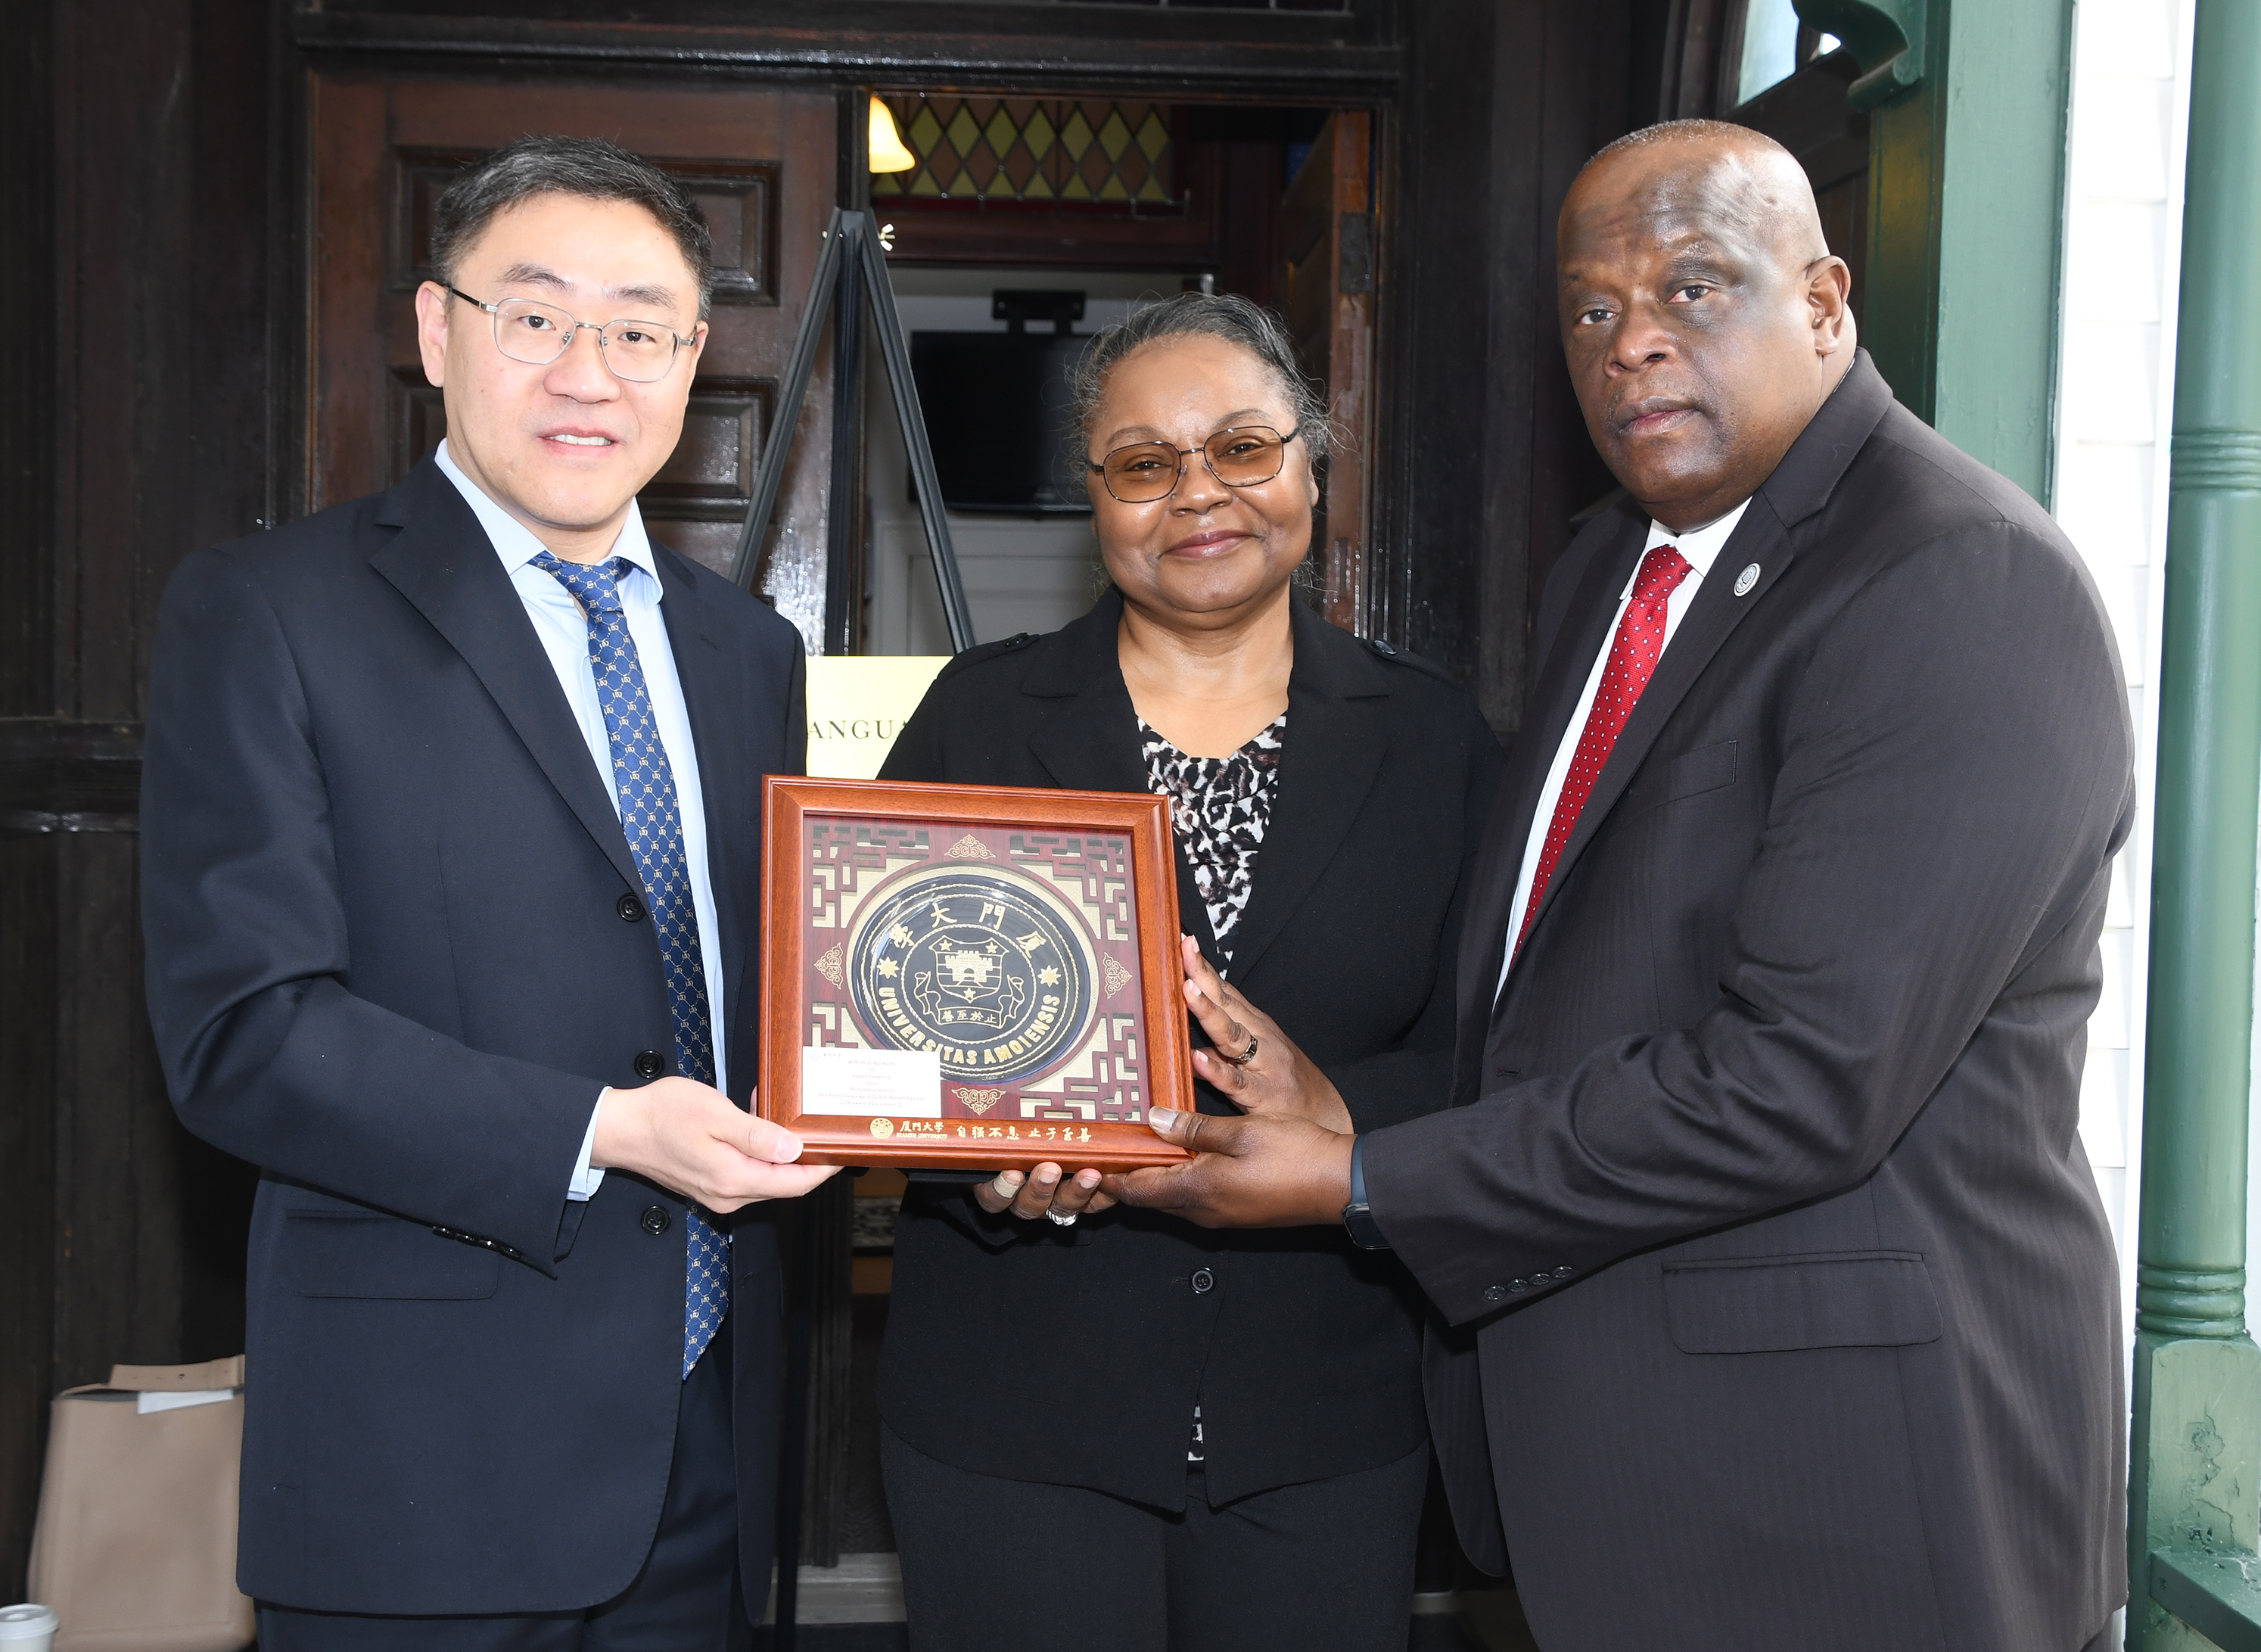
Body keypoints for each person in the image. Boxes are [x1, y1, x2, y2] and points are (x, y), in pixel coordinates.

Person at [1106, 121, 2132, 1652]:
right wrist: (1344, 1111)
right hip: (1635, 1463)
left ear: (1829, 302)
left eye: (1694, 287)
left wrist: (1365, 1183)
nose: (1635, 343)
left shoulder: (1955, 577)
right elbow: (1569, 994)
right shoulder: (1617, 569)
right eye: (1592, 310)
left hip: (1849, 1484)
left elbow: (1800, 1081)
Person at [139, 136, 835, 1647]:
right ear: (437, 331)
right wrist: (603, 1131)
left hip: (710, 1454)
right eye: (537, 316)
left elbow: (766, 992)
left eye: (639, 327)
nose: (590, 369)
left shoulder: (749, 654)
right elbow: (242, 1035)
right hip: (423, 1471)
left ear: (694, 360)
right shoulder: (268, 611)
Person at [872, 293, 1505, 1652]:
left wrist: (1334, 1103)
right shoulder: (976, 716)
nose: (1198, 496)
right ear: (1096, 500)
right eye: (1146, 465)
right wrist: (975, 1152)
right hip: (1017, 1407)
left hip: (1324, 1416)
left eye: (1241, 449)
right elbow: (869, 1023)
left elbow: (1497, 1052)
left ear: (1310, 468)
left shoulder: (1437, 740)